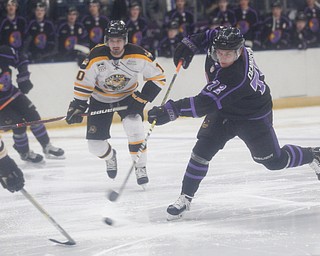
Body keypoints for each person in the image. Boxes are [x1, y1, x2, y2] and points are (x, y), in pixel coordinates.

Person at [147, 26, 320, 220]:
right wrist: (191, 42)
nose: (223, 58)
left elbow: (203, 104)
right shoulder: (225, 40)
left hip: (252, 117)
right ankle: (185, 197)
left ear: (239, 51)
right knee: (201, 152)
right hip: (223, 112)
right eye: (220, 52)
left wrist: (170, 110)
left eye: (228, 54)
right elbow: (211, 33)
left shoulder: (236, 76)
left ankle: (313, 155)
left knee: (273, 161)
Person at [65, 20, 166, 187]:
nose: (115, 44)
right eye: (112, 40)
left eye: (119, 40)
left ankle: (140, 166)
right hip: (100, 99)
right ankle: (110, 156)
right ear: (106, 40)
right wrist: (78, 105)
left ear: (125, 40)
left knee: (134, 125)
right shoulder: (96, 56)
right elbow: (84, 81)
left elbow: (158, 77)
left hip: (128, 96)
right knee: (95, 147)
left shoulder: (138, 54)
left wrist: (141, 99)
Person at [0, 45, 65, 163]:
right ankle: (24, 153)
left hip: (11, 94)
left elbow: (20, 59)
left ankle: (47, 146)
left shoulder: (3, 52)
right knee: (18, 124)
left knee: (34, 117)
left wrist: (23, 78)